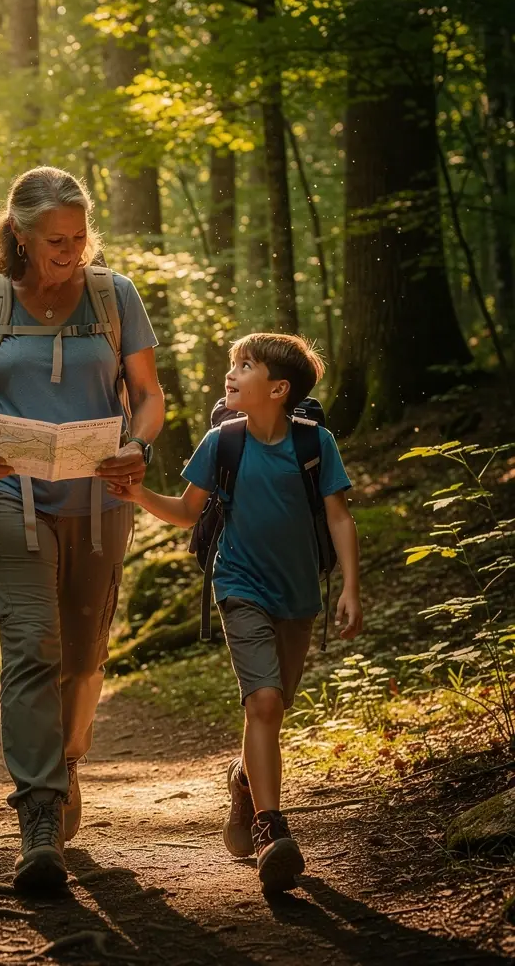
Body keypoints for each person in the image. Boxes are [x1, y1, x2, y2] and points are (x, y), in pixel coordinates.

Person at [0, 166, 165, 892]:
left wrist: (140, 446)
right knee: (33, 641)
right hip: (7, 493)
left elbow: (149, 396)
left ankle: (66, 761)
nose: (71, 251)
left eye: (80, 237)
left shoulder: (113, 293)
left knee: (84, 655)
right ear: (20, 235)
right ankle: (38, 811)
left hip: (100, 500)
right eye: (56, 240)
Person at [107, 332, 362, 893]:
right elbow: (185, 511)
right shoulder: (223, 442)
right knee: (264, 702)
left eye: (245, 366)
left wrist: (350, 587)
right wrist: (137, 495)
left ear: (278, 388)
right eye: (232, 364)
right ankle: (273, 829)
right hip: (239, 585)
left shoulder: (315, 444)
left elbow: (339, 517)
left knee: (274, 710)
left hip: (299, 597)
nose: (231, 374)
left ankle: (244, 781)